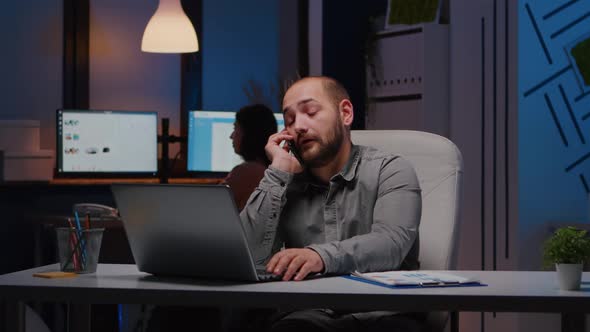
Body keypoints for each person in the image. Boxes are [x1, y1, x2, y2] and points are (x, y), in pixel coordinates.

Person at [240, 76, 424, 332]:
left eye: (310, 112)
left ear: (345, 113)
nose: (299, 126)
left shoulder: (390, 169)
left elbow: (391, 244)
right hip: (306, 316)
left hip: (381, 313)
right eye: (289, 119)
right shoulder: (284, 185)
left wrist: (320, 256)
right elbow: (247, 257)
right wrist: (278, 171)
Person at [225, 104, 278, 211]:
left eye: (236, 128)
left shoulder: (245, 172)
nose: (231, 136)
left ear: (248, 134)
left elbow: (214, 209)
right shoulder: (274, 172)